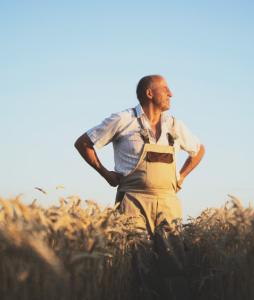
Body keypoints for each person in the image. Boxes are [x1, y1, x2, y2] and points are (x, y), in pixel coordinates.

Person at [74, 75, 205, 299]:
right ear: (149, 93)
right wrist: (106, 174)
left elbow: (199, 150)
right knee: (137, 264)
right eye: (165, 89)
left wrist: (180, 178)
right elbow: (83, 143)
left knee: (174, 264)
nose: (171, 93)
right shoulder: (123, 120)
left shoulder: (174, 125)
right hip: (132, 202)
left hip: (168, 202)